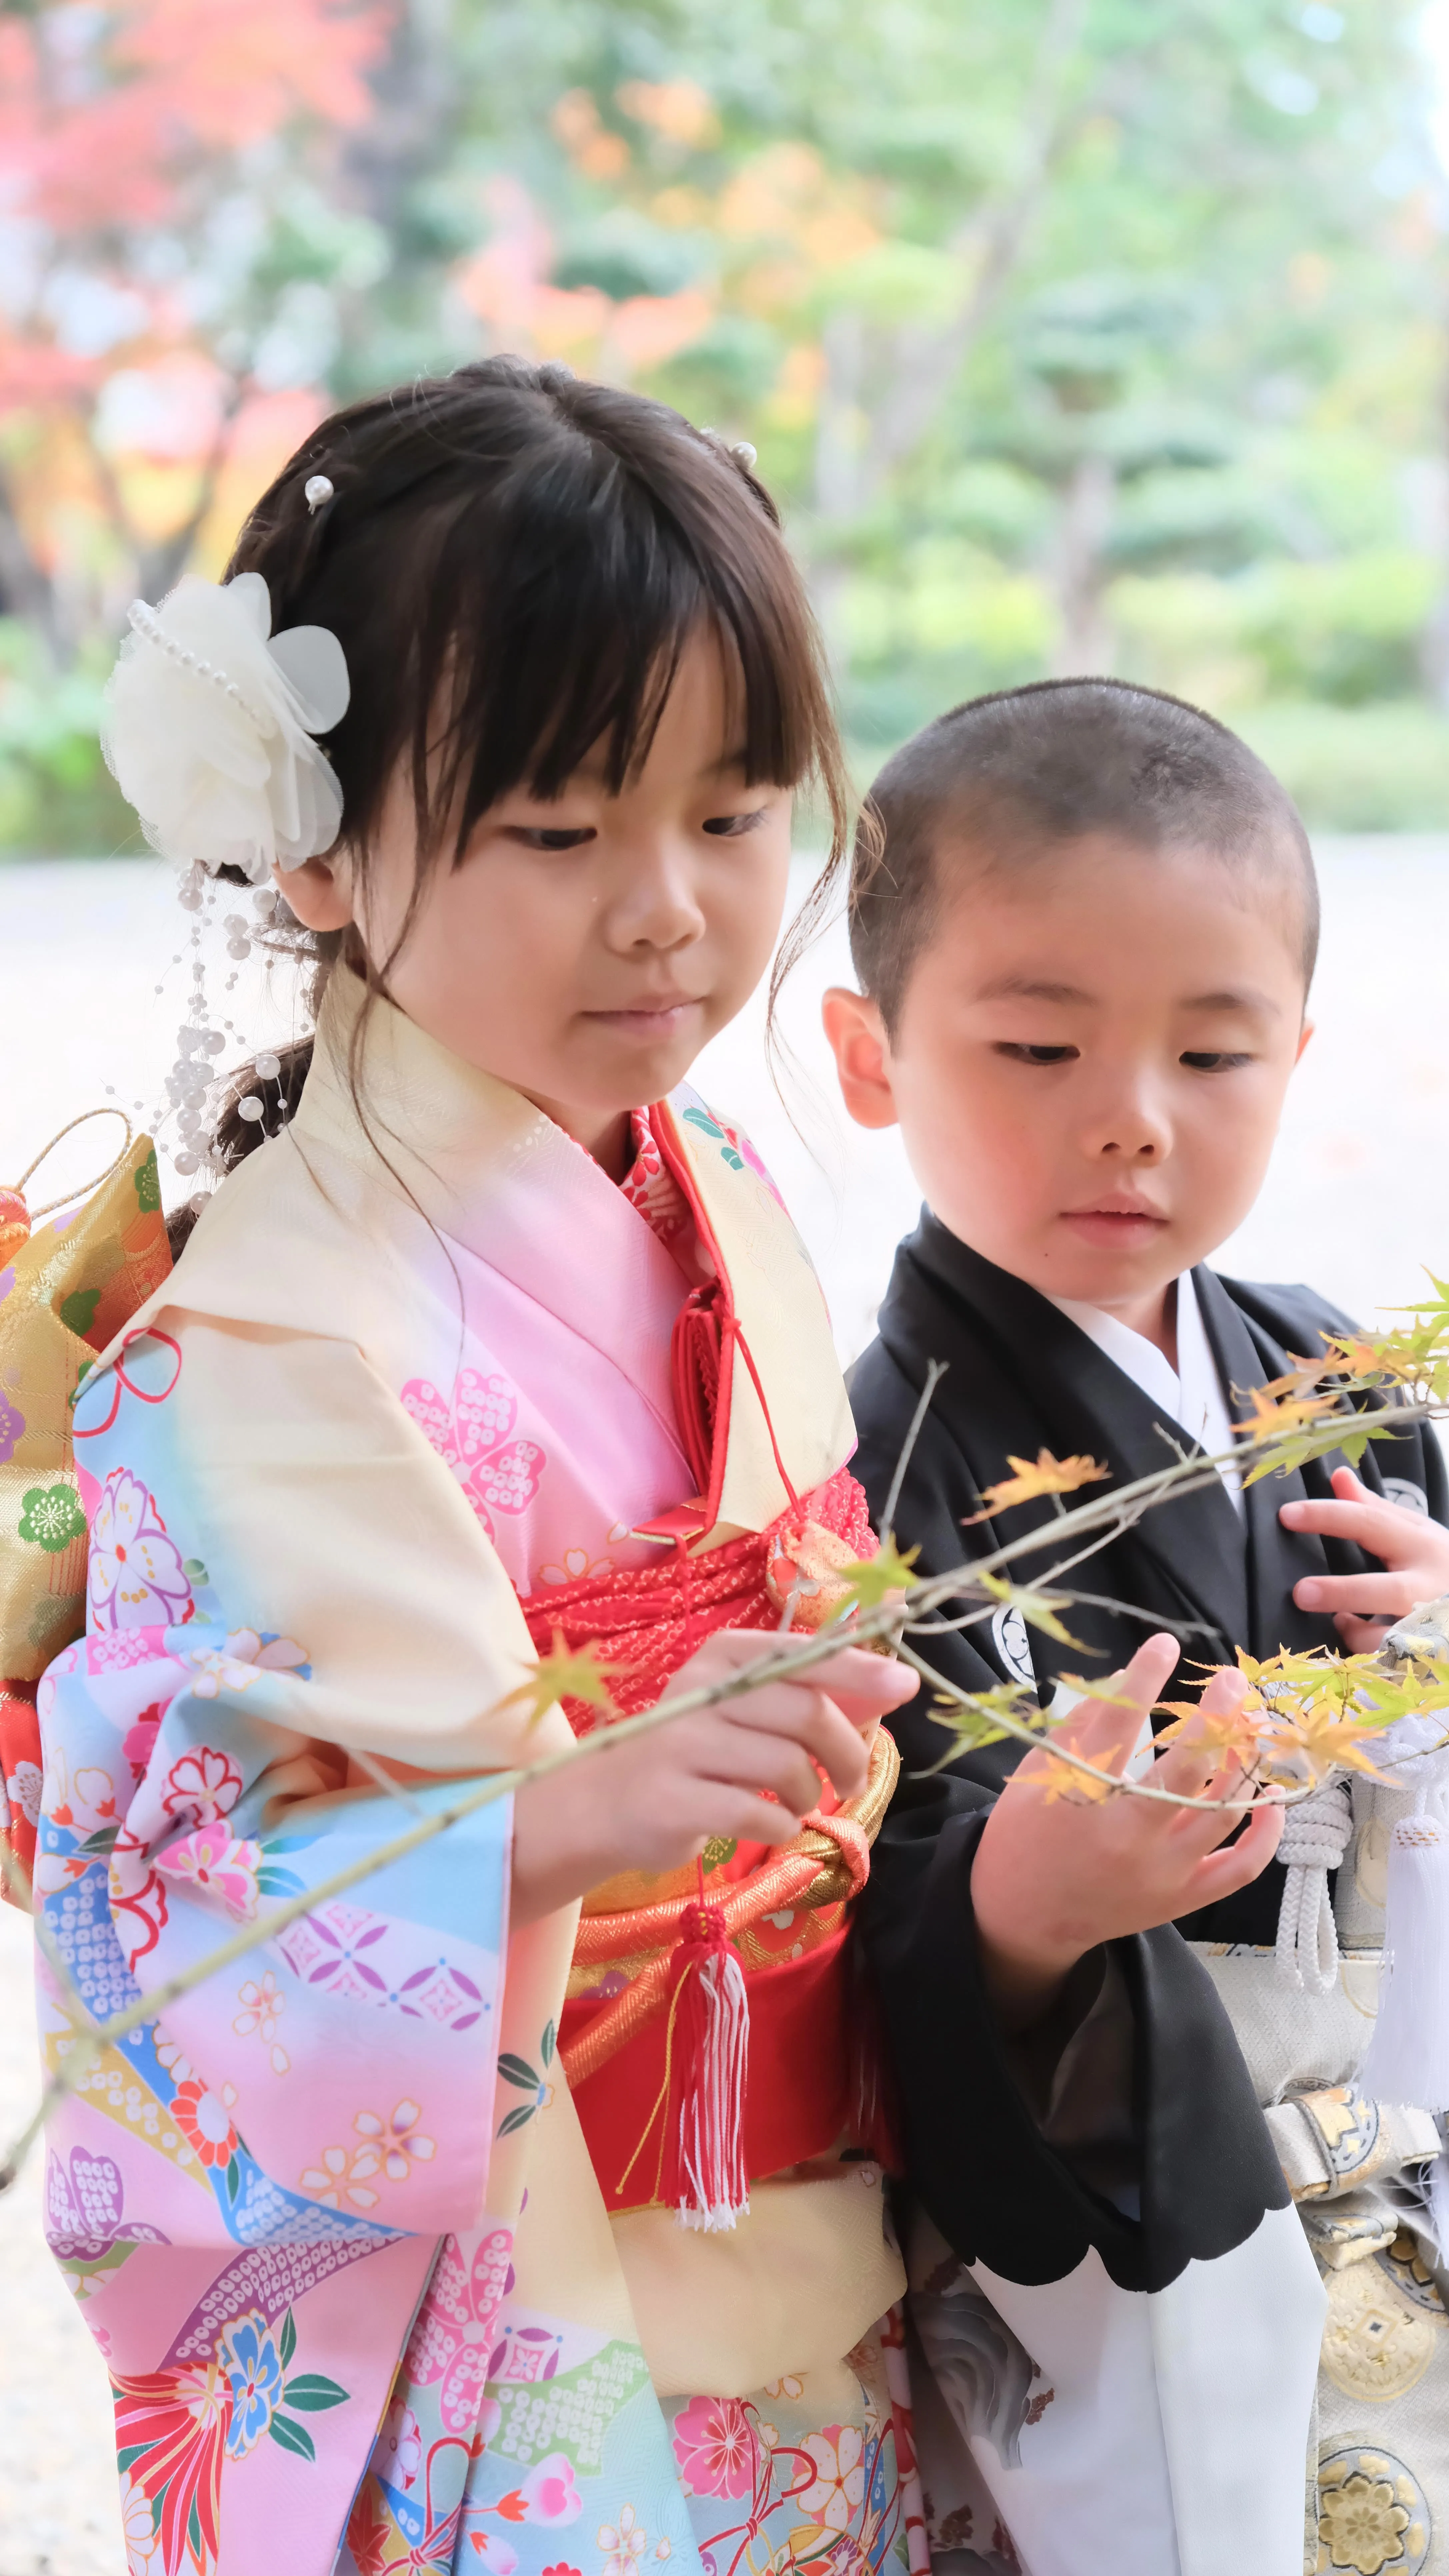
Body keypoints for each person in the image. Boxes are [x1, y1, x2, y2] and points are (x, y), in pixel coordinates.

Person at [35, 377, 1299, 2576]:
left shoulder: (708, 1179)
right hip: (535, 2323)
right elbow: (160, 1907)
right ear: (314, 845)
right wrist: (550, 1829)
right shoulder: (262, 1341)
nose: (670, 915)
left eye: (729, 817)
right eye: (556, 830)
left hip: (817, 2256)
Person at [828, 676, 1449, 2574]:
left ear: (1297, 1051)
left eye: (1212, 1055)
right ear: (870, 1055)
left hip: (1393, 2170)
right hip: (1124, 2247)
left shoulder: (1338, 1376)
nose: (1128, 1124)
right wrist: (1020, 1909)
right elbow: (861, 1936)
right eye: (1032, 1049)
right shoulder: (861, 1457)